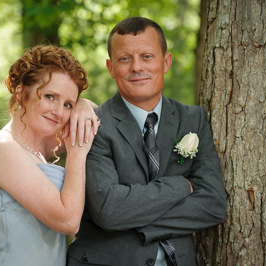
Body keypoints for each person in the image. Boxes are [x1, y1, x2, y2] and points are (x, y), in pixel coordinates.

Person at [66, 17, 226, 266]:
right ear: (110, 67)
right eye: (124, 59)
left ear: (166, 62)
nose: (136, 67)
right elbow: (109, 211)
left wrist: (137, 221)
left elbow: (213, 205)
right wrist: (183, 186)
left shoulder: (193, 119)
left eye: (147, 56)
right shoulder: (94, 124)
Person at [0, 45, 100, 266]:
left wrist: (83, 104)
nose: (59, 112)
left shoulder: (37, 150)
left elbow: (99, 120)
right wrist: (78, 153)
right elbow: (68, 221)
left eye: (67, 104)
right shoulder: (3, 149)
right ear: (21, 93)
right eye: (50, 96)